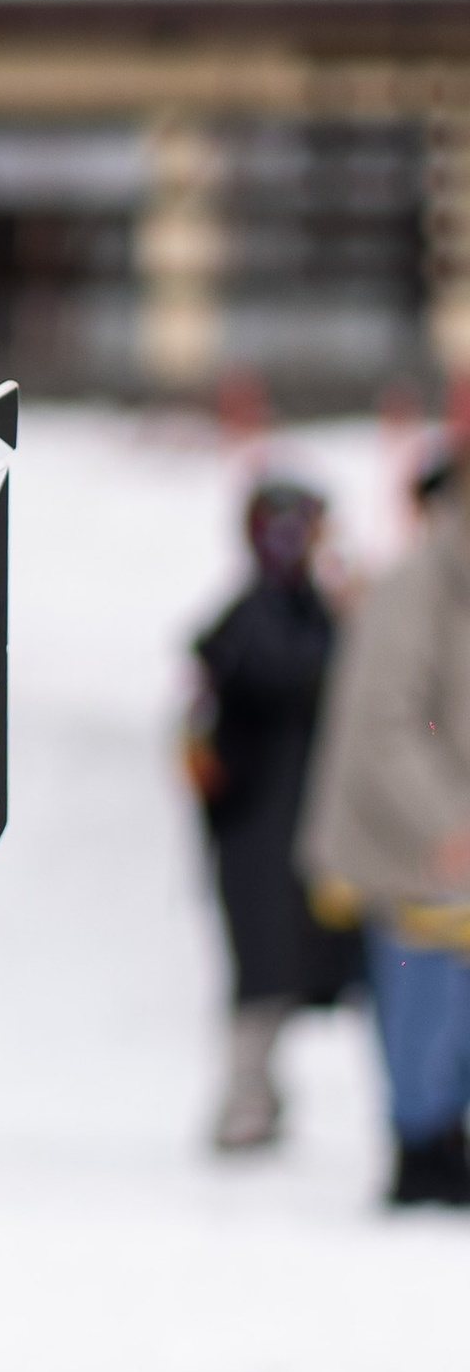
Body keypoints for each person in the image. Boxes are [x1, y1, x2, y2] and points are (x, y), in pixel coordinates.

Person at [301, 447, 470, 1205]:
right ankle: (422, 1145)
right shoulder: (416, 588)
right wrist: (447, 820)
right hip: (413, 842)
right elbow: (385, 723)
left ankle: (439, 1135)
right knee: (424, 998)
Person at [185, 480, 359, 1153]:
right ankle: (247, 1100)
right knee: (263, 967)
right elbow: (285, 679)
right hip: (262, 827)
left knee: (311, 963)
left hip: (299, 820)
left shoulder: (304, 610)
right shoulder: (260, 618)